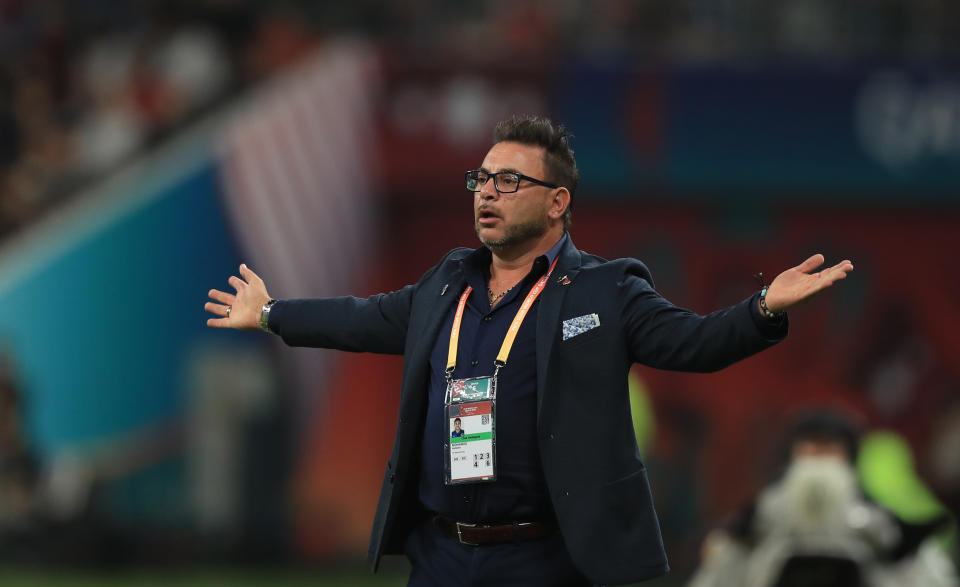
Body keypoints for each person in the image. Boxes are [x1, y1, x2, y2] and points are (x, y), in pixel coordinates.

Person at [204, 115, 854, 586]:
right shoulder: (445, 284)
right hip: (444, 555)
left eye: (508, 180)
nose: (486, 192)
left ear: (557, 201)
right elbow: (362, 318)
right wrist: (269, 313)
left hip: (548, 559)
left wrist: (764, 307)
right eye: (480, 178)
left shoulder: (605, 288)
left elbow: (694, 343)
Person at [688, 410, 959, 587]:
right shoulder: (764, 514)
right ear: (792, 453)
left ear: (848, 455)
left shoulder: (873, 519)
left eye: (830, 446)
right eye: (811, 445)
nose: (819, 455)